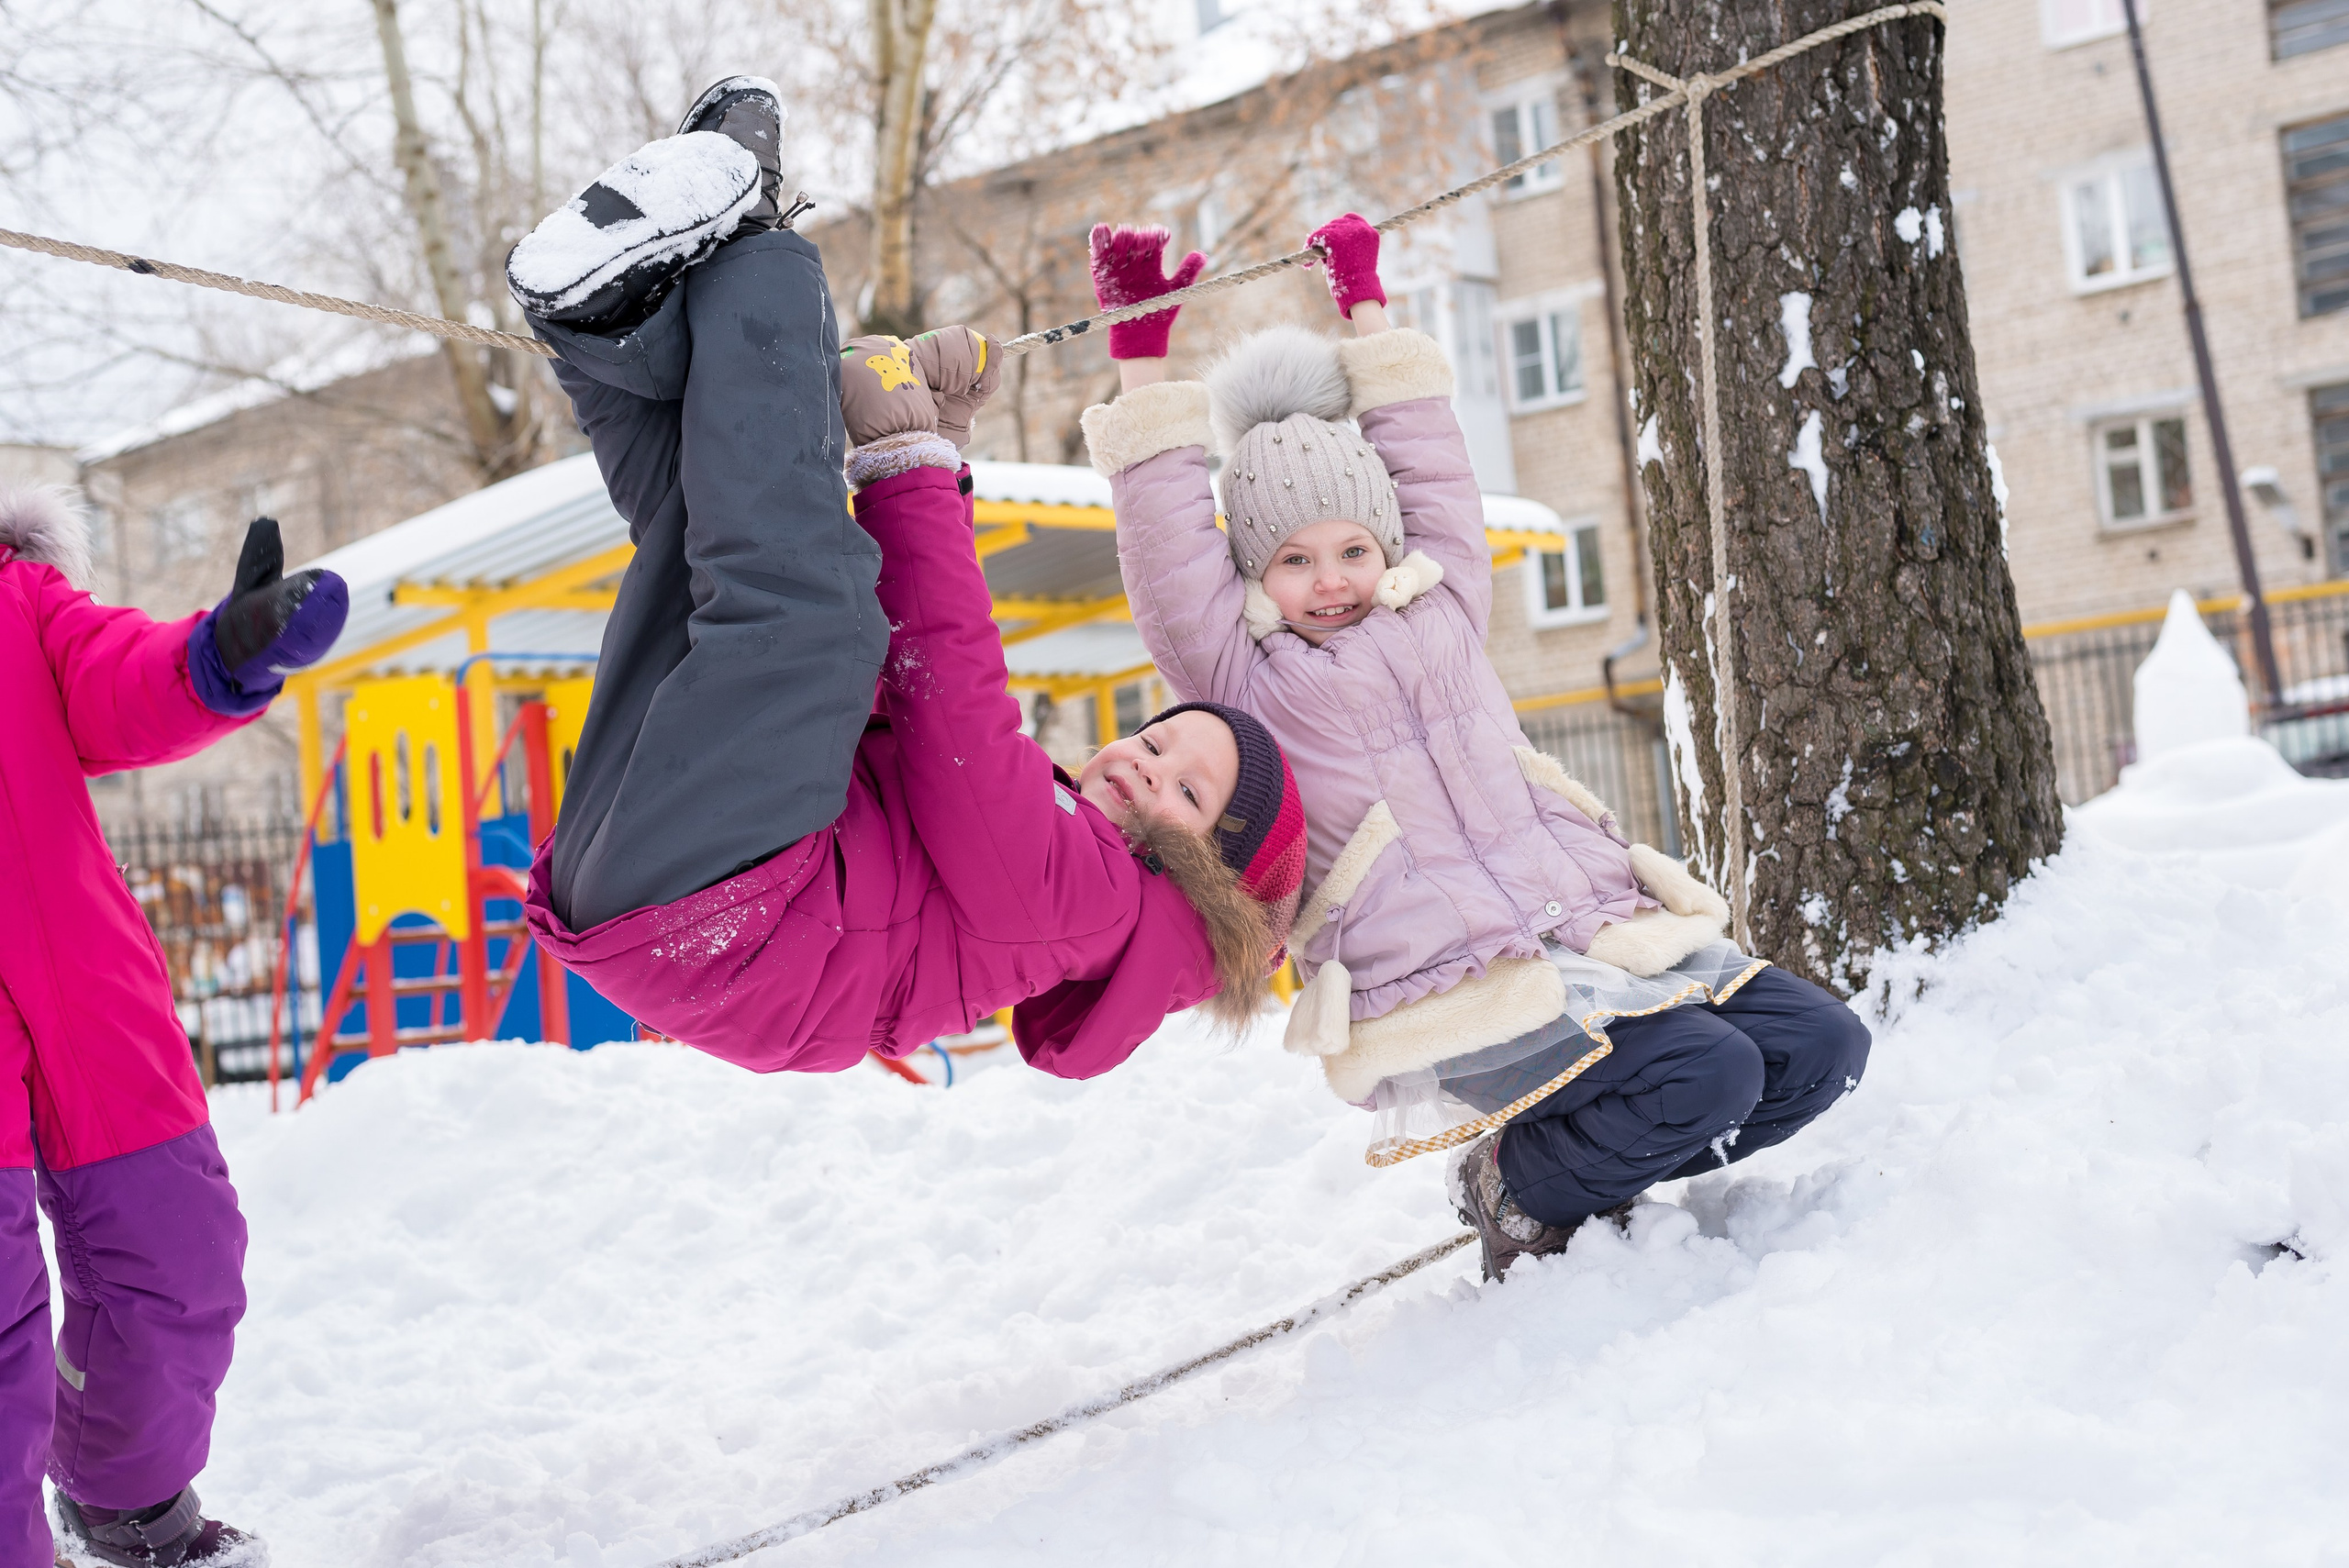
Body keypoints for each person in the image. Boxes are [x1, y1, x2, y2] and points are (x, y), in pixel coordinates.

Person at [1081, 215, 1872, 1280]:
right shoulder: (1239, 672)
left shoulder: (1444, 605)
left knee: (1822, 1050)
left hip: (1584, 919)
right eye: (1295, 560)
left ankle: (1590, 1174)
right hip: (1440, 963)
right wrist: (1139, 348)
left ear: (1388, 543)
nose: (1332, 579)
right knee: (1707, 1076)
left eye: (1354, 548)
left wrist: (1365, 302)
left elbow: (1433, 464)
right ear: (1251, 576)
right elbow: (1165, 547)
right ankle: (1516, 1185)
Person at [507, 79, 1308, 1084]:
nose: (1147, 764)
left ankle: (754, 249)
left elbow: (954, 711)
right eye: (1157, 738)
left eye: (1189, 788)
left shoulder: (1107, 898)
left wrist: (910, 461)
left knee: (808, 615)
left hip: (734, 914)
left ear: (1213, 877)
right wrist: (943, 453)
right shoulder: (1073, 883)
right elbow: (914, 685)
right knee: (698, 543)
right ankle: (617, 319)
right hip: (683, 892)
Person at [3, 492, 347, 1565]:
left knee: (180, 1252)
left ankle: (123, 1494)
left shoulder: (19, 595)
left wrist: (216, 656)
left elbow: (112, 673)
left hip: (75, 979)